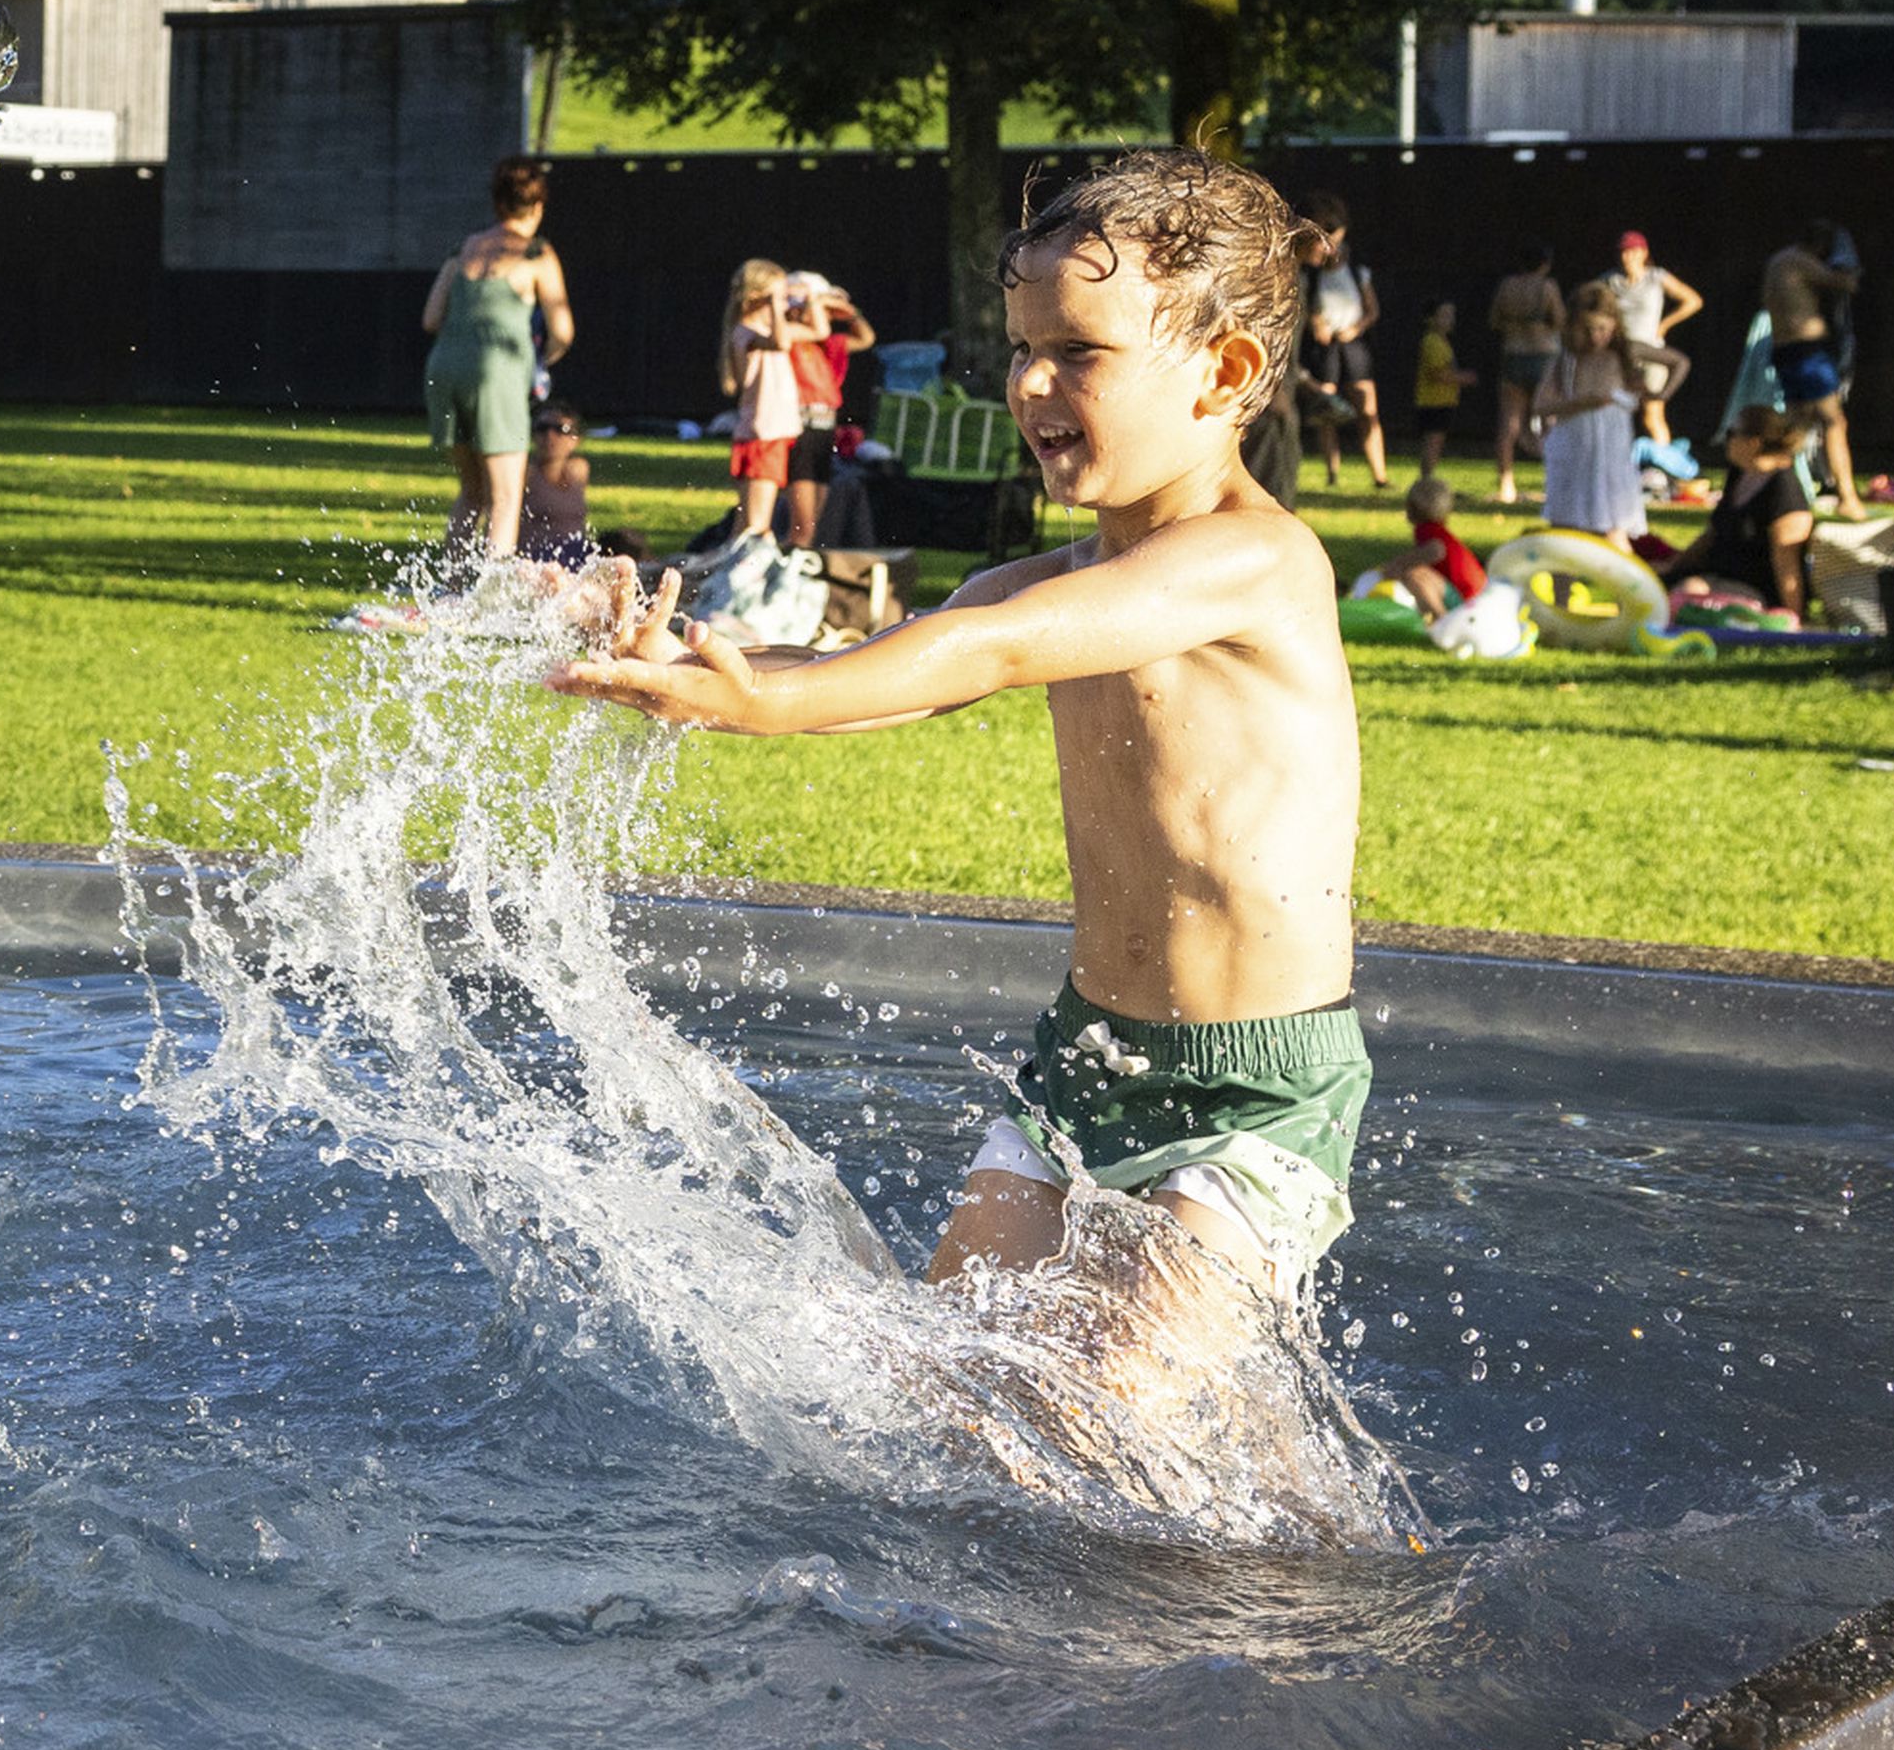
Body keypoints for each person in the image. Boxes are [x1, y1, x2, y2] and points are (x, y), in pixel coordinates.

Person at [549, 151, 1364, 1369]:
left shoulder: (1256, 561)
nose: (1030, 380)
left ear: (1227, 371)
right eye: (1024, 346)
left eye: (1080, 350)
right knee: (951, 1396)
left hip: (1255, 1092)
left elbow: (985, 651)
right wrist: (682, 663)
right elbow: (889, 669)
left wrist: (762, 708)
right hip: (1086, 1058)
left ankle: (1330, 1562)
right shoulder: (1058, 578)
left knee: (1121, 1425)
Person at [419, 160, 574, 566]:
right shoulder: (538, 253)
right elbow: (563, 331)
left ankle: (451, 589)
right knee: (505, 497)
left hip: (443, 370)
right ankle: (490, 598)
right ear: (537, 206)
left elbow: (431, 319)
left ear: (497, 203)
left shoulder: (464, 248)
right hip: (496, 375)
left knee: (471, 492)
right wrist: (541, 362)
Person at [1662, 404, 1819, 619]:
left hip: (1756, 590)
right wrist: (1671, 566)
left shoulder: (1784, 491)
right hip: (1716, 576)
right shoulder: (1740, 474)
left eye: (1731, 433)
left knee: (1686, 597)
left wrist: (1793, 618)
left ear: (1753, 443)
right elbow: (1712, 533)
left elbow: (1787, 563)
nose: (1727, 440)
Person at [1763, 220, 1866, 519]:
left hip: (1785, 351)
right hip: (1807, 353)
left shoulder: (1778, 261)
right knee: (1834, 422)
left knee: (1796, 426)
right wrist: (1846, 260)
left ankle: (1776, 493)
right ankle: (1848, 497)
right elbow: (1847, 283)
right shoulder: (1798, 260)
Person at [1533, 282, 1647, 546]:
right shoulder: (1566, 360)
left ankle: (1630, 585)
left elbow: (1677, 362)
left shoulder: (1619, 357)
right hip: (1575, 449)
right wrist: (1582, 404)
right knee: (1564, 529)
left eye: (1602, 329)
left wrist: (1658, 393)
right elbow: (1541, 405)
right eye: (1588, 329)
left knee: (1612, 526)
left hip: (1609, 456)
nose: (1595, 337)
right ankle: (1563, 587)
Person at [718, 258, 814, 545]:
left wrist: (811, 299)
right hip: (763, 434)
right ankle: (740, 579)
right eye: (777, 295)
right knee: (757, 528)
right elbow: (782, 342)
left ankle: (721, 579)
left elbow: (818, 331)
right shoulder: (745, 332)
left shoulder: (759, 331)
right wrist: (776, 305)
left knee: (746, 526)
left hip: (766, 433)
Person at [1297, 194, 1388, 492]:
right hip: (1326, 346)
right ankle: (1332, 473)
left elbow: (1372, 309)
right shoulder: (1310, 272)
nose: (1329, 248)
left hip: (1353, 344)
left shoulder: (1357, 268)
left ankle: (1379, 475)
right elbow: (1307, 309)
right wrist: (1316, 323)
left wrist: (1356, 328)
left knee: (1366, 408)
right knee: (1328, 408)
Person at [782, 272, 876, 550]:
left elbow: (866, 337)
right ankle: (783, 571)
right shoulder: (788, 337)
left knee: (811, 526)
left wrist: (849, 312)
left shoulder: (829, 344)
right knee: (801, 525)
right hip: (801, 428)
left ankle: (798, 568)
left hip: (823, 429)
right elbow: (817, 328)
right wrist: (815, 300)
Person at [1604, 230, 1702, 453]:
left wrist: (1665, 325)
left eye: (1631, 252)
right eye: (1623, 252)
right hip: (1622, 355)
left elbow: (1693, 301)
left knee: (1652, 413)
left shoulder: (1656, 277)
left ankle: (1664, 465)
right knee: (1616, 412)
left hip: (1651, 352)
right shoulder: (1610, 281)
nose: (1626, 257)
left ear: (1643, 253)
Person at [1487, 242, 1567, 508]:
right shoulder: (1547, 287)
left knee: (1508, 424)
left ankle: (1506, 485)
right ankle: (1553, 484)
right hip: (1543, 357)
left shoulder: (1507, 286)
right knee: (1549, 422)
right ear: (1545, 263)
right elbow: (1559, 320)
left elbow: (1494, 321)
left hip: (1513, 354)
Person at [1381, 473, 1487, 620]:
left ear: (1412, 509)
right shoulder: (1439, 532)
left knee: (1414, 574)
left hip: (1468, 601)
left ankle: (1442, 620)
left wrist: (1399, 564)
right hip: (1477, 597)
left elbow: (1436, 551)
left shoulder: (1427, 530)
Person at [521, 405, 594, 564]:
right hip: (539, 558)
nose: (549, 436)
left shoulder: (579, 470)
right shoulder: (525, 474)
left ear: (576, 440)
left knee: (627, 541)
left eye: (561, 429)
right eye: (542, 428)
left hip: (577, 552)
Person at [1411, 300, 1474, 482]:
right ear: (1430, 319)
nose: (1450, 320)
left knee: (1436, 441)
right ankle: (1427, 478)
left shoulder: (1442, 342)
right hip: (1433, 402)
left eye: (1451, 315)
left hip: (1444, 401)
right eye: (1444, 315)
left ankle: (1428, 477)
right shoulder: (1432, 342)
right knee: (1433, 442)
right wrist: (1465, 378)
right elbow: (1438, 374)